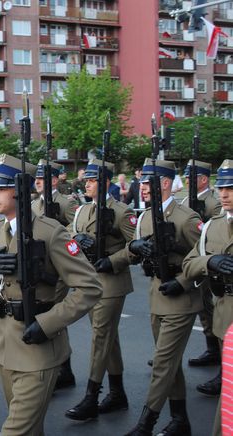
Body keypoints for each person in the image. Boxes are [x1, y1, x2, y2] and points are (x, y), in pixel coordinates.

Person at [0, 154, 102, 435]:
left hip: (39, 351)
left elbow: (89, 287)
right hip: (6, 349)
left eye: (0, 188)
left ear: (20, 189)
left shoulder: (50, 232)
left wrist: (47, 324)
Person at [124, 158, 202, 435]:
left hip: (181, 300)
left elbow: (203, 260)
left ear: (165, 184)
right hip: (156, 297)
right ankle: (180, 421)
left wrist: (182, 281)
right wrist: (134, 246)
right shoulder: (145, 216)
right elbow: (132, 252)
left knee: (162, 363)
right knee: (170, 364)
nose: (141, 187)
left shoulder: (186, 219)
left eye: (147, 182)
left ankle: (146, 423)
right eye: (142, 182)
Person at [64, 159, 137, 421]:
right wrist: (77, 241)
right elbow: (70, 237)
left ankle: (91, 396)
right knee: (109, 339)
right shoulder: (83, 211)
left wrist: (112, 260)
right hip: (90, 282)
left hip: (112, 283)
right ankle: (118, 394)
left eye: (92, 180)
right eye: (86, 180)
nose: (87, 184)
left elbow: (136, 246)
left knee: (99, 337)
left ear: (105, 182)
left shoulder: (121, 211)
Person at [182, 159, 233, 436]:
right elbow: (189, 265)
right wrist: (210, 262)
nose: (224, 194)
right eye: (221, 187)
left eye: (231, 188)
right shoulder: (212, 227)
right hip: (224, 314)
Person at [32, 159, 80, 390]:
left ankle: (63, 368)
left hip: (57, 269)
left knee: (54, 314)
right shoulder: (33, 204)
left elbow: (78, 226)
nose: (37, 182)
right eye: (36, 178)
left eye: (41, 178)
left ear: (53, 180)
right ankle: (60, 368)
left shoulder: (65, 202)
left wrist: (59, 233)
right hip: (39, 268)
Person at [181, 160, 223, 394]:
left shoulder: (215, 203)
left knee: (214, 312)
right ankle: (211, 349)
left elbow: (210, 233)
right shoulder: (186, 200)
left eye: (193, 176)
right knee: (203, 311)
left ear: (204, 179)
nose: (188, 180)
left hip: (214, 265)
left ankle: (221, 362)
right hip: (197, 263)